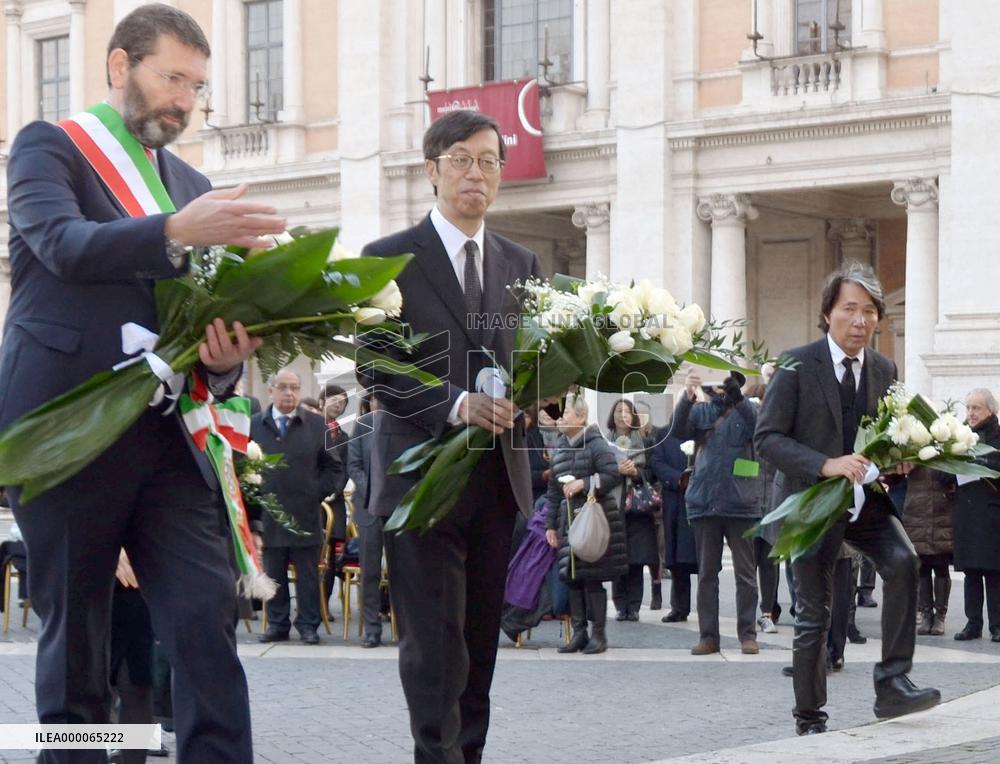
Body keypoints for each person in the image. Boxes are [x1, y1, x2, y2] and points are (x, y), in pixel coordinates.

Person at [0, 5, 286, 760]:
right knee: (79, 643)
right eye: (171, 78)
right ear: (119, 67)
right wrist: (173, 233)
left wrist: (227, 356)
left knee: (203, 619)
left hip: (168, 434)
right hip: (68, 430)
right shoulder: (48, 148)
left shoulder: (193, 183)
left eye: (196, 85)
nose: (185, 101)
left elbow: (207, 320)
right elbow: (62, 245)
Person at [360, 109, 543, 763]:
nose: (478, 172)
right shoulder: (387, 259)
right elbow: (375, 364)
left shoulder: (522, 263)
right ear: (432, 169)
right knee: (435, 650)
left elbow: (536, 363)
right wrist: (458, 403)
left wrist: (551, 386)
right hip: (419, 482)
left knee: (479, 648)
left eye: (491, 160)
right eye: (462, 158)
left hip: (497, 482)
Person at [755, 261, 940, 735]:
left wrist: (901, 459)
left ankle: (892, 683)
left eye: (870, 311)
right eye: (849, 309)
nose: (860, 321)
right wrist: (825, 463)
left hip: (865, 501)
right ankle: (810, 715)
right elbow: (768, 439)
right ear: (827, 313)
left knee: (903, 561)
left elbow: (886, 434)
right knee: (815, 613)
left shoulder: (884, 367)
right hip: (812, 503)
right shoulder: (797, 364)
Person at [669, 371, 762, 656]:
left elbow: (759, 428)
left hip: (741, 502)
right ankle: (708, 636)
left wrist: (739, 398)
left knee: (746, 574)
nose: (720, 388)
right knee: (707, 574)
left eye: (727, 383)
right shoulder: (701, 410)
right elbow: (678, 432)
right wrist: (686, 397)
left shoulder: (749, 409)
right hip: (705, 501)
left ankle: (748, 634)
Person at [251, 369, 340, 645]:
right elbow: (241, 464)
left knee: (309, 575)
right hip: (270, 513)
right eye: (283, 387)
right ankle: (277, 623)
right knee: (273, 572)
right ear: (270, 391)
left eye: (295, 387)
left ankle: (308, 625)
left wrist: (317, 492)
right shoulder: (254, 425)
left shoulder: (315, 424)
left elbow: (334, 466)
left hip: (305, 512)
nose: (289, 393)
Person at [544, 393, 626, 654]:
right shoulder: (561, 447)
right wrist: (550, 526)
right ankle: (579, 632)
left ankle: (598, 634)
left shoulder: (596, 444)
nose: (561, 418)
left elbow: (612, 474)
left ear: (581, 417)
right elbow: (554, 491)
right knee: (572, 578)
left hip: (594, 521)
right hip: (568, 522)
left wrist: (586, 483)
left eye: (565, 413)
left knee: (593, 578)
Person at [951, 388, 1000, 641]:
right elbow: (942, 475)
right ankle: (973, 624)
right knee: (971, 572)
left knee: (994, 572)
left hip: (992, 514)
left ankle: (997, 625)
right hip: (966, 514)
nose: (970, 413)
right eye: (968, 407)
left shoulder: (998, 437)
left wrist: (976, 464)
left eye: (976, 408)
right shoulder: (958, 438)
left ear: (990, 410)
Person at [607, 399, 659, 622]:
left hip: (638, 507)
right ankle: (620, 604)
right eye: (619, 410)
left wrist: (635, 472)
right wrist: (617, 469)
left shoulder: (644, 442)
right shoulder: (604, 442)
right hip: (614, 504)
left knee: (636, 558)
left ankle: (635, 605)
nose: (623, 415)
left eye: (627, 411)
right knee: (617, 557)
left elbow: (652, 473)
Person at [346, 394, 387, 648]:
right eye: (376, 398)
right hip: (369, 510)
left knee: (405, 574)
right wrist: (372, 492)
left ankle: (406, 628)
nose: (380, 402)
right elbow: (354, 465)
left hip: (398, 510)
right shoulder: (362, 426)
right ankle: (372, 629)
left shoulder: (404, 424)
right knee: (369, 573)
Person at [649, 428, 696, 623]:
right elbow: (657, 463)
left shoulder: (705, 430)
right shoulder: (665, 435)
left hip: (700, 499)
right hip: (675, 501)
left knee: (706, 560)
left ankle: (709, 607)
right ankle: (679, 607)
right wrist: (679, 478)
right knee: (678, 559)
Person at [902, 466, 955, 636]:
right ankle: (925, 614)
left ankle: (940, 616)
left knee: (941, 565)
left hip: (942, 508)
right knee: (922, 566)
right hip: (916, 509)